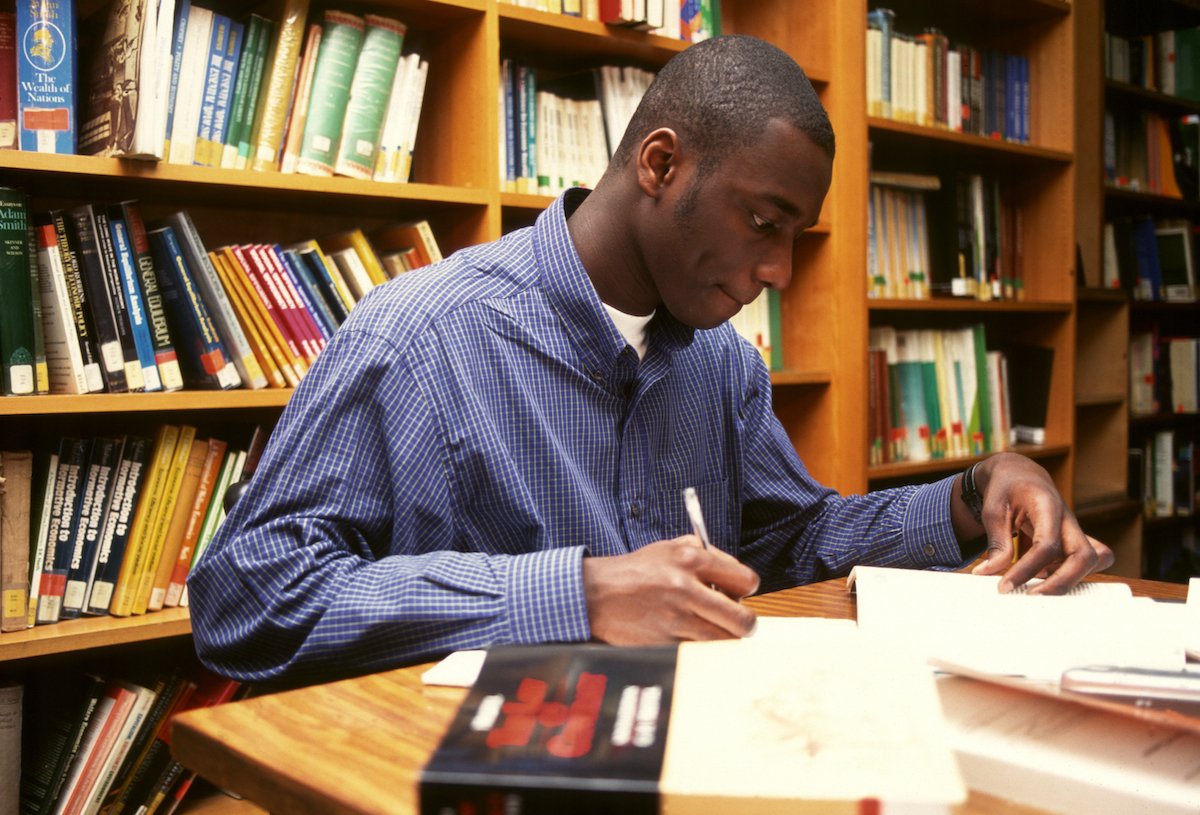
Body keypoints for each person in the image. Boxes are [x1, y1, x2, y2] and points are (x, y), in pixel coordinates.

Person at [188, 35, 1113, 685]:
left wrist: (970, 491)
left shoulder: (721, 363)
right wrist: (578, 592)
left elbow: (781, 544)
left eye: (795, 237)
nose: (780, 272)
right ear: (661, 165)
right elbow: (247, 597)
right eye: (763, 223)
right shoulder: (419, 336)